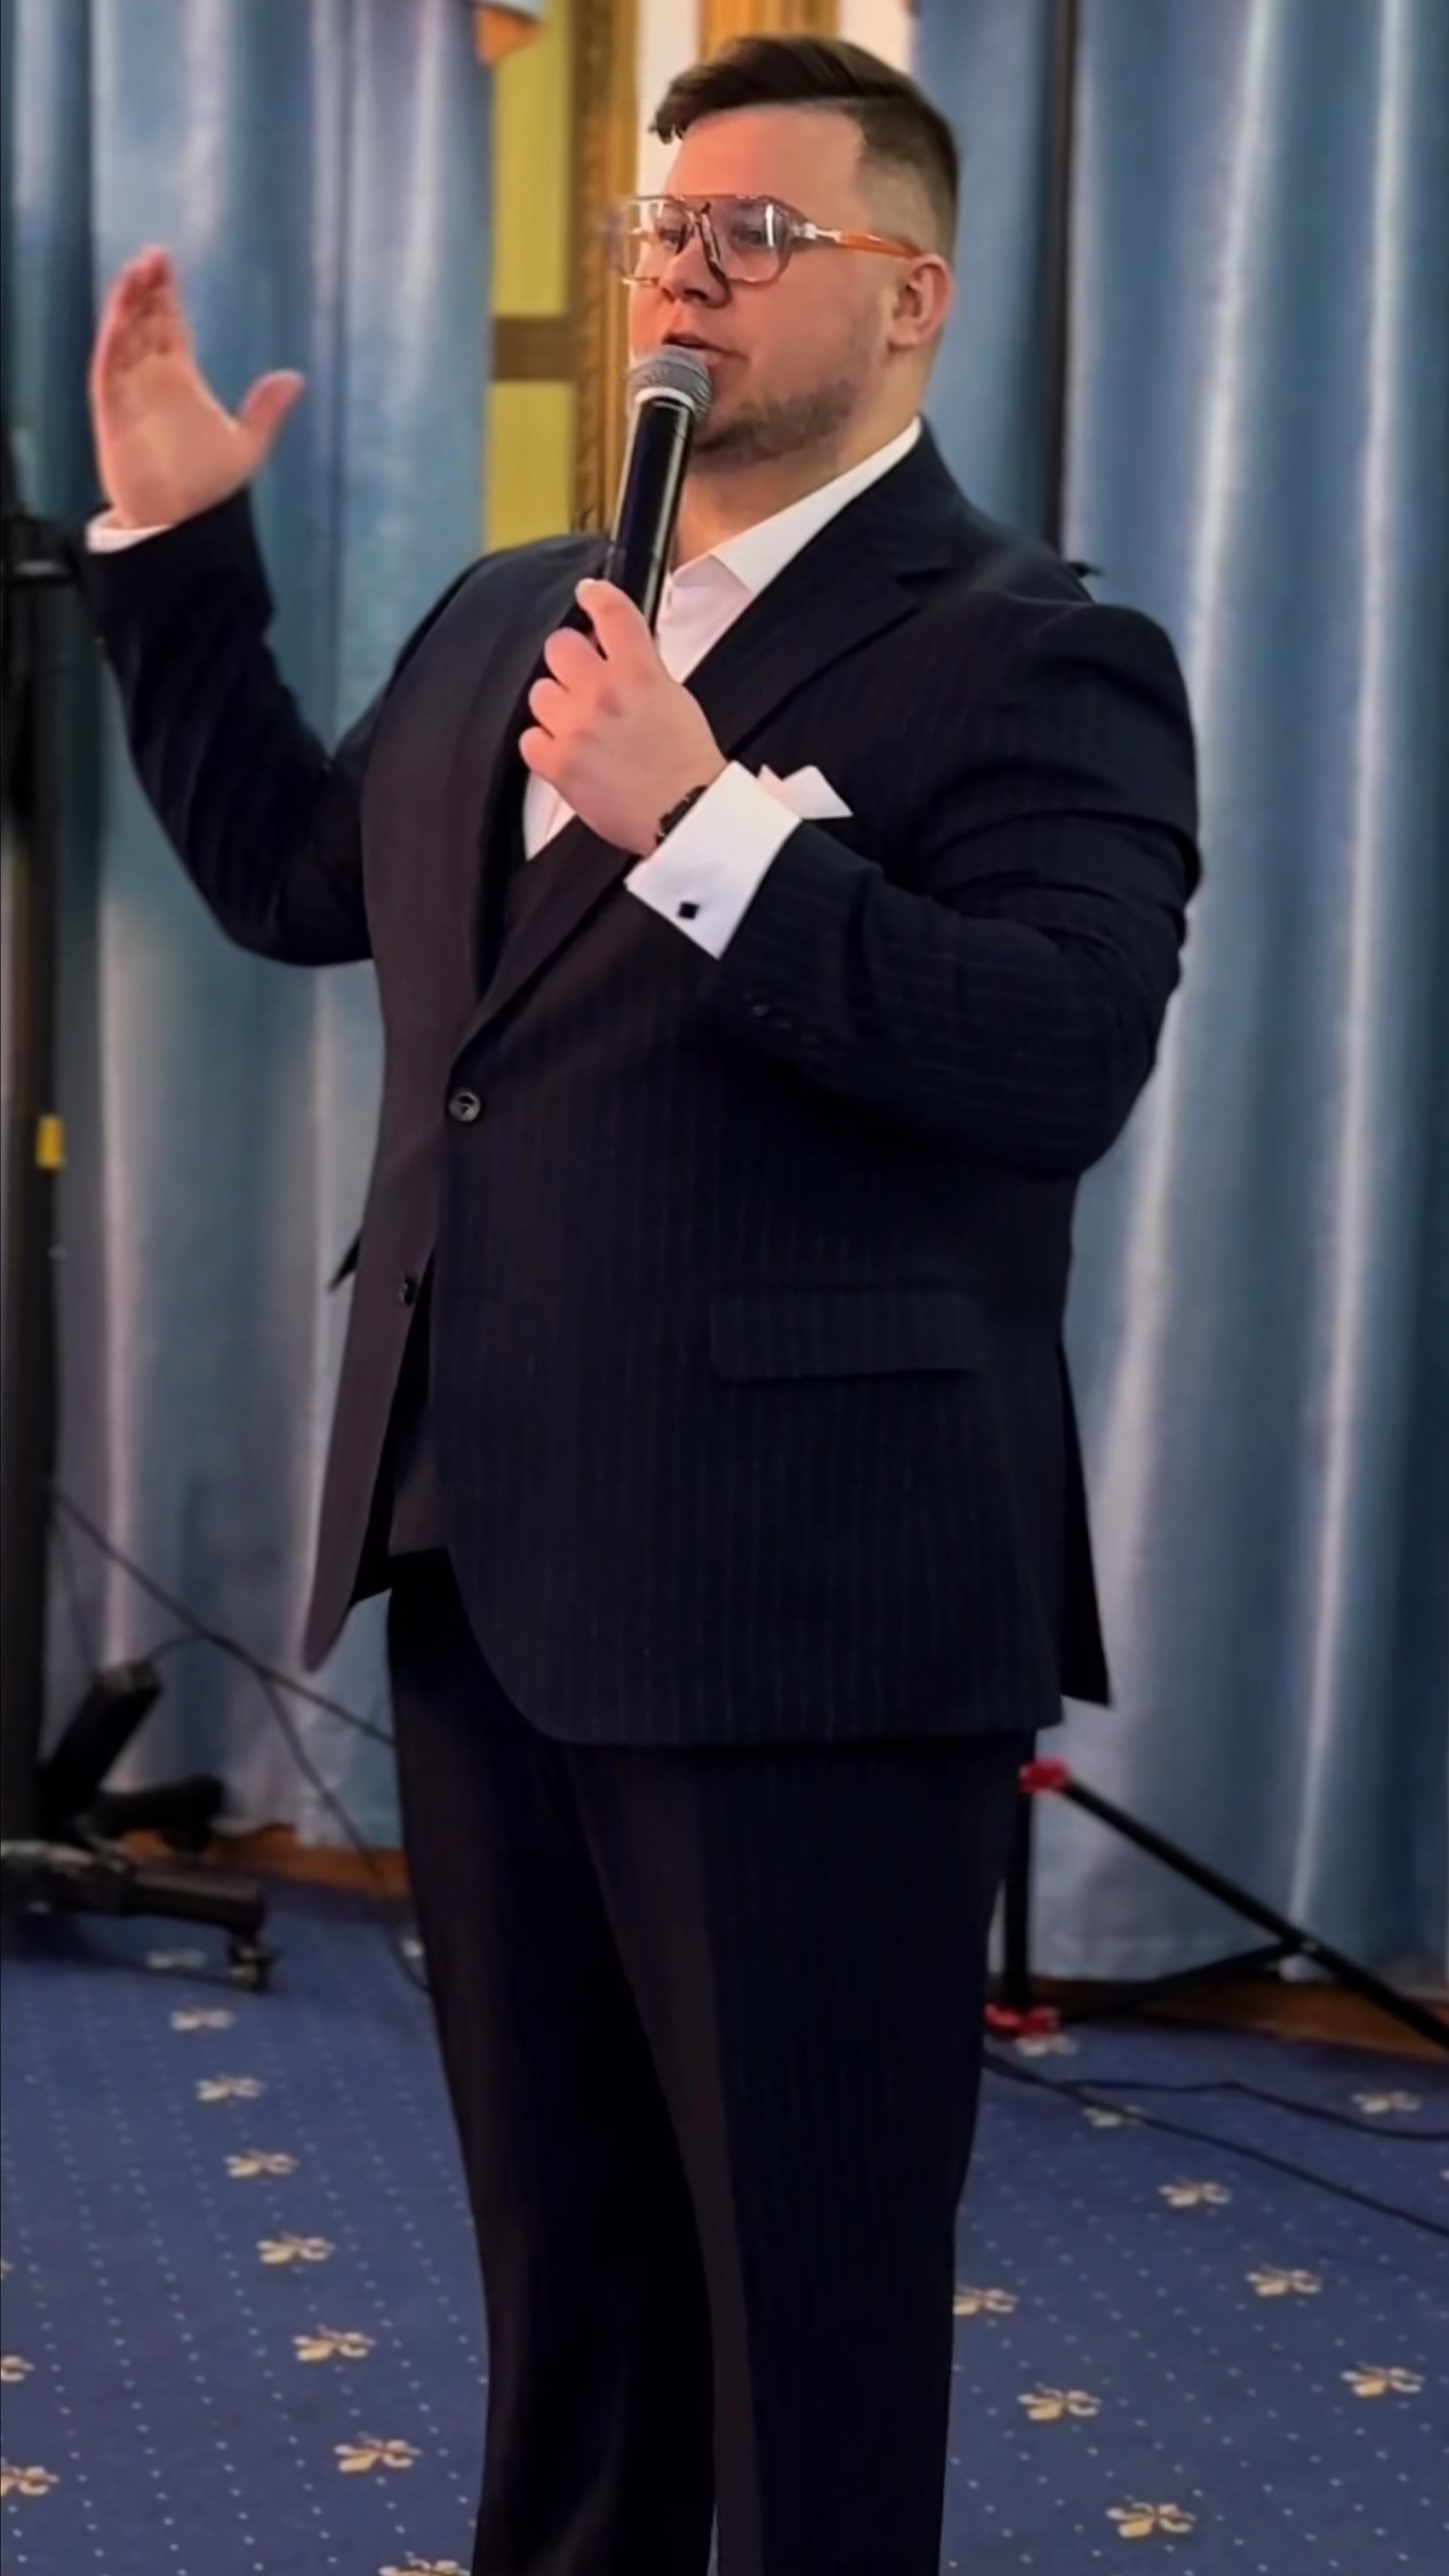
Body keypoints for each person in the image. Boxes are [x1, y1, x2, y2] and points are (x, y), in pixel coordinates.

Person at [80, 32, 1198, 2576]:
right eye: (664, 226)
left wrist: (699, 825)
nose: (684, 269)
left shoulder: (1034, 650)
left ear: (908, 295)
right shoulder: (522, 609)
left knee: (803, 2320)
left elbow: (1055, 1054)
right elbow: (297, 879)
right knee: (566, 2286)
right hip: (486, 1553)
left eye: (755, 233)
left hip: (813, 1601)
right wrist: (177, 552)